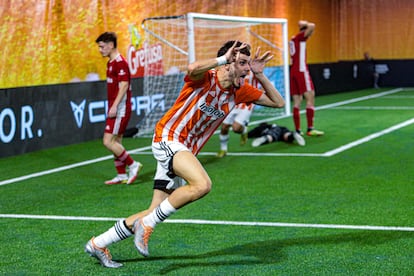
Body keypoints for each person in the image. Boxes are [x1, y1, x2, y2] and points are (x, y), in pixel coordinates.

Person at [85, 40, 285, 268]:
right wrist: (221, 59)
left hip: (183, 150)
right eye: (242, 63)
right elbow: (191, 69)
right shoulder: (206, 77)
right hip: (168, 138)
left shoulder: (239, 92)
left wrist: (260, 75)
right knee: (202, 185)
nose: (246, 69)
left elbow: (278, 102)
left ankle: (98, 243)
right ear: (227, 63)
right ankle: (148, 224)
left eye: (248, 64)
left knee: (154, 209)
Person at [95, 32, 143, 185]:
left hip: (120, 108)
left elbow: (124, 85)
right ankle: (121, 175)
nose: (100, 50)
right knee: (117, 142)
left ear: (110, 45)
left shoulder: (120, 62)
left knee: (108, 141)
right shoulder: (110, 62)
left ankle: (133, 165)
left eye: (102, 47)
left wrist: (114, 106)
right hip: (116, 107)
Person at [289, 20, 324, 137]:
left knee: (297, 102)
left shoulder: (293, 39)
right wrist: (304, 24)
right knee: (310, 96)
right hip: (301, 70)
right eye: (309, 33)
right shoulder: (300, 37)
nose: (311, 34)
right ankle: (310, 128)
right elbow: (312, 25)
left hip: (293, 71)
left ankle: (298, 130)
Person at [216, 72, 259, 158]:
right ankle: (223, 149)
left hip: (247, 102)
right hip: (233, 101)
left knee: (236, 128)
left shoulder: (253, 71)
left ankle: (243, 130)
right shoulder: (233, 68)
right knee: (224, 127)